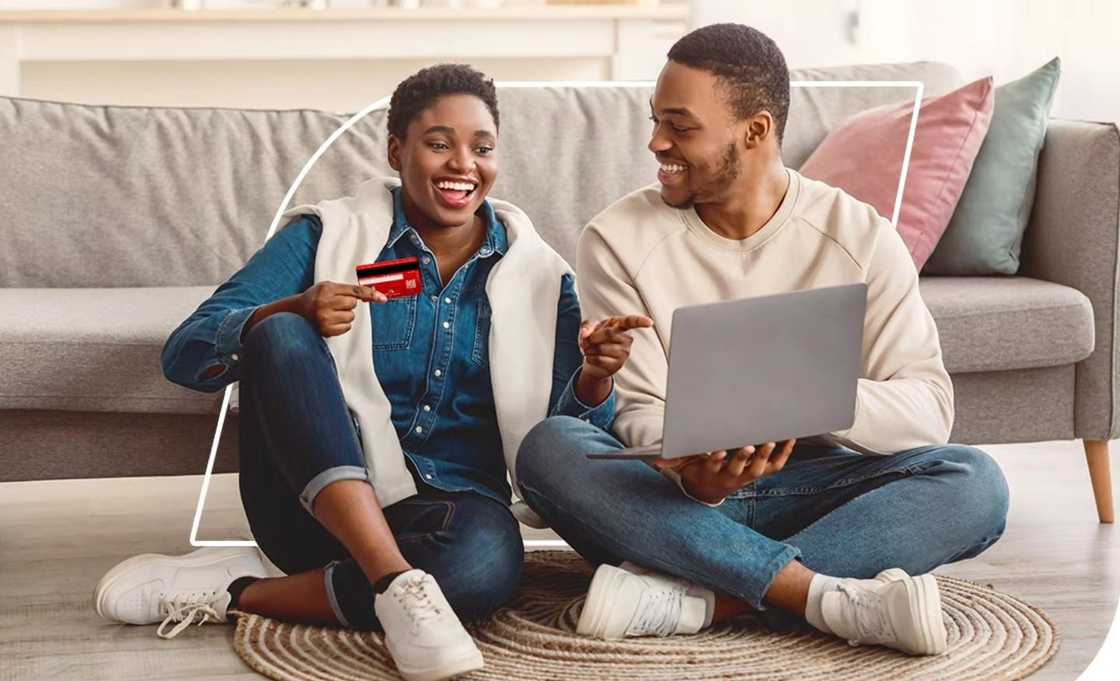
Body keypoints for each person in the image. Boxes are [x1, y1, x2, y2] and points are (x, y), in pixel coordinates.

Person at [93, 64, 648, 681]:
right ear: (396, 151)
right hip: (310, 509)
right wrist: (293, 307)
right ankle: (392, 583)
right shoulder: (326, 235)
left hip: (447, 515)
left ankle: (238, 590)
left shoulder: (544, 277)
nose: (462, 164)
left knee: (486, 567)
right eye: (439, 144)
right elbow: (188, 352)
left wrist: (597, 377)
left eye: (481, 147)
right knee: (276, 328)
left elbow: (560, 452)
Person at [515, 24, 1010, 657]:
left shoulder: (860, 235)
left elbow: (928, 408)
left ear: (756, 130)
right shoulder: (616, 237)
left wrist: (807, 398)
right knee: (550, 448)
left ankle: (701, 601)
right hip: (677, 503)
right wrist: (699, 478)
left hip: (812, 493)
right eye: (655, 121)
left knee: (976, 482)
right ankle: (817, 595)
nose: (656, 142)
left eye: (681, 126)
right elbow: (639, 414)